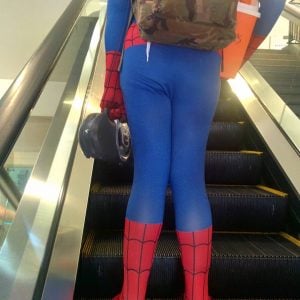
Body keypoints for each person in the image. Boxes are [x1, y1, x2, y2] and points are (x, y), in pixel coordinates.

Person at [99, 0, 285, 299]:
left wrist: (110, 82)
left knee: (148, 178)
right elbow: (275, 4)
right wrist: (238, 55)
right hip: (204, 60)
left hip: (144, 53)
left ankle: (132, 293)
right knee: (190, 179)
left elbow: (119, 7)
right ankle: (198, 293)